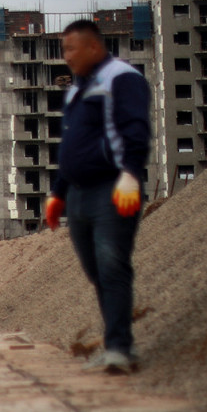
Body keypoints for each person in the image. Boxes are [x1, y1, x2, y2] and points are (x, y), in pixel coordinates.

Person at [45, 18, 151, 374]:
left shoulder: (121, 78)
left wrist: (131, 175)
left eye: (71, 49)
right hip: (78, 195)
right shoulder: (77, 89)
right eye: (63, 50)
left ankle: (121, 348)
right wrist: (58, 193)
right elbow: (72, 144)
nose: (66, 57)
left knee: (112, 265)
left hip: (113, 189)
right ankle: (116, 344)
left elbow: (135, 129)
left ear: (93, 46)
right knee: (96, 271)